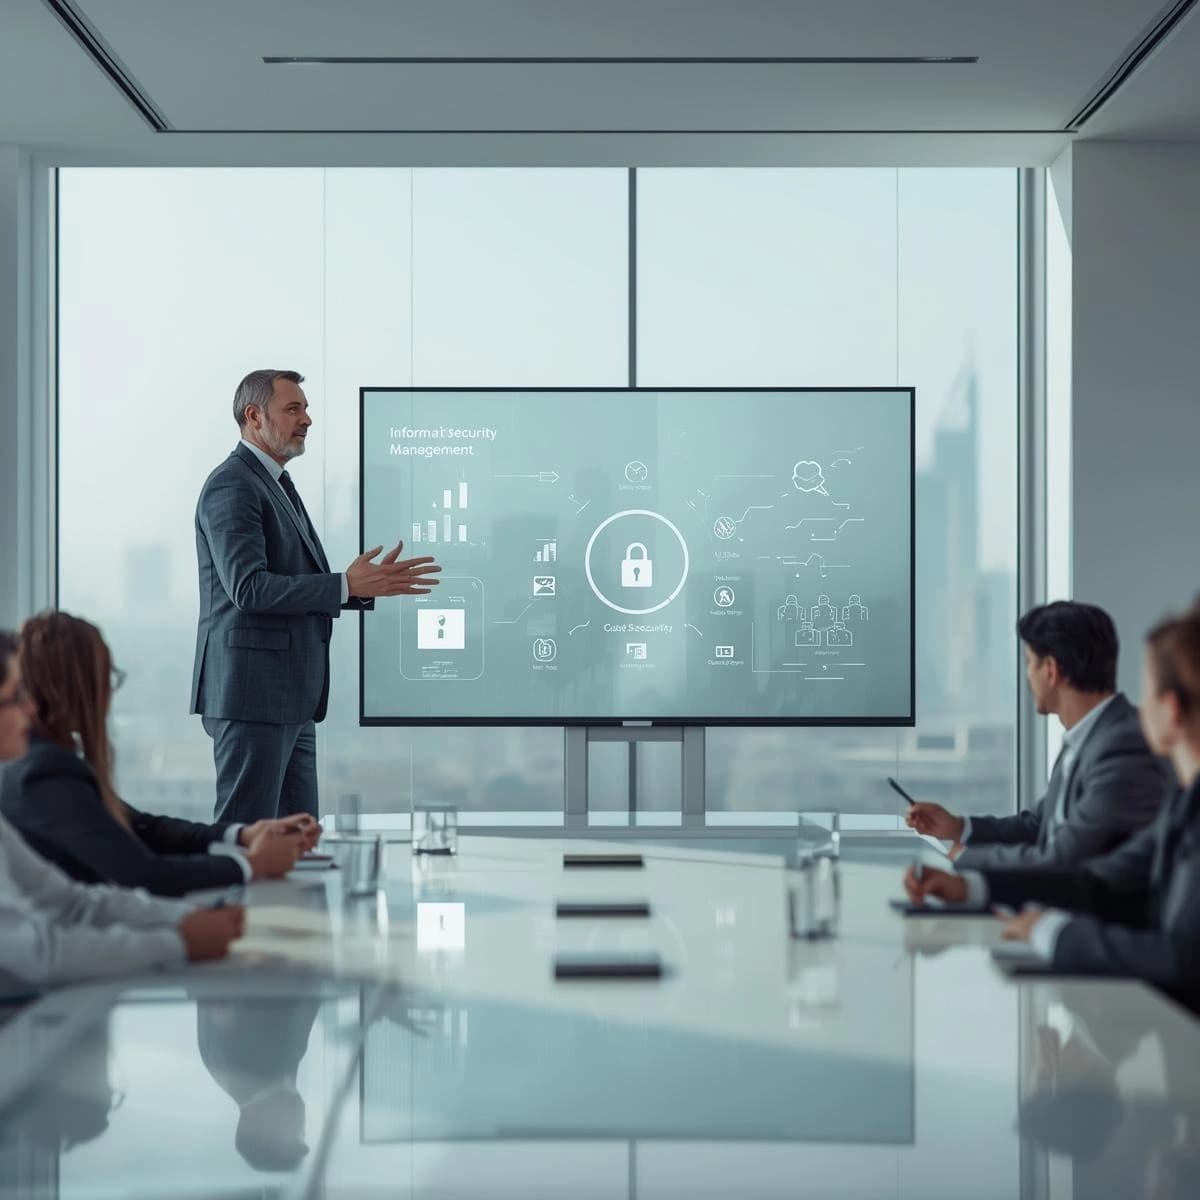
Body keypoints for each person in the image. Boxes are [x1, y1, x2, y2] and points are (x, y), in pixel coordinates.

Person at [904, 606, 1200, 1011]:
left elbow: (1182, 956)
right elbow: (1093, 875)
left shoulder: (1123, 746)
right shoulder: (1183, 803)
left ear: (1171, 710)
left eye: (1147, 691)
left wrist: (1054, 931)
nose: (1138, 706)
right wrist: (972, 882)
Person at [191, 369, 441, 823]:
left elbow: (286, 581)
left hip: (289, 699)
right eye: (293, 409)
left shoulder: (275, 483)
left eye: (305, 409)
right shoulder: (233, 485)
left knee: (299, 840)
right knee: (249, 838)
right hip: (253, 698)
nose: (307, 419)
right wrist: (345, 585)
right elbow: (249, 588)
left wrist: (360, 588)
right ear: (253, 416)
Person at [0, 630, 244, 998]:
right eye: (17, 695)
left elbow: (71, 901)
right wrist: (179, 941)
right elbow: (39, 954)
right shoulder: (44, 772)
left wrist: (189, 920)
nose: (31, 708)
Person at [1, 612, 309, 897]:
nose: (107, 694)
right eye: (105, 679)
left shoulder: (47, 760)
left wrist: (241, 835)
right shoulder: (44, 771)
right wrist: (253, 864)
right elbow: (145, 873)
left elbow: (142, 827)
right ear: (77, 688)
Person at [905, 601, 1171, 867]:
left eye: (1030, 663)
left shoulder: (1123, 746)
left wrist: (965, 858)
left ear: (1051, 670)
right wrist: (958, 827)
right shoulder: (1085, 737)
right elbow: (1039, 826)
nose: (1028, 676)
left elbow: (1065, 858)